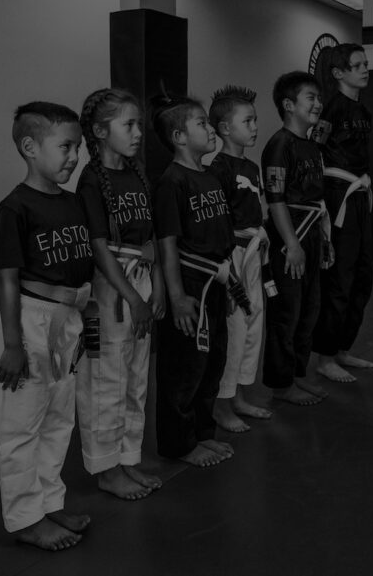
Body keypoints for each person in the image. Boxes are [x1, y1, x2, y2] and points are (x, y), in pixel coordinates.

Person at [0, 101, 94, 550]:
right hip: (28, 323)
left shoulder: (71, 203)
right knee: (20, 425)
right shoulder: (14, 207)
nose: (74, 157)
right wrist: (13, 345)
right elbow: (9, 278)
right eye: (65, 147)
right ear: (30, 147)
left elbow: (79, 267)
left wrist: (84, 317)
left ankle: (49, 502)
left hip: (66, 322)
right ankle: (24, 517)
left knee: (57, 418)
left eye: (78, 148)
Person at [75, 88, 165, 500]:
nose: (137, 133)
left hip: (143, 280)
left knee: (136, 378)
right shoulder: (93, 178)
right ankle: (106, 468)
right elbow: (98, 247)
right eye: (128, 125)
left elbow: (150, 240)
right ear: (98, 131)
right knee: (106, 381)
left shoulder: (136, 174)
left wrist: (157, 287)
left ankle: (129, 458)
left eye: (138, 125)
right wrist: (133, 297)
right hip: (112, 289)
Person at [151, 93, 238, 467]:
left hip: (215, 286)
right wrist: (177, 297)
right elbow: (166, 243)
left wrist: (231, 283)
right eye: (201, 123)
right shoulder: (172, 181)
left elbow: (222, 239)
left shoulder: (210, 177)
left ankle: (203, 433)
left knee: (212, 363)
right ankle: (179, 444)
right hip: (189, 288)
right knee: (183, 369)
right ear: (179, 136)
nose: (209, 128)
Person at [262, 71, 334, 405]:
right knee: (286, 314)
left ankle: (297, 374)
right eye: (310, 97)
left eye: (319, 98)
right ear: (289, 105)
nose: (318, 104)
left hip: (311, 236)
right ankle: (280, 383)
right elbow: (275, 199)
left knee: (309, 310)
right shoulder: (279, 145)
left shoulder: (311, 145)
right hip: (288, 238)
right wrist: (291, 244)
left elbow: (315, 198)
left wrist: (322, 240)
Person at [206, 85, 275, 432]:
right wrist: (229, 270)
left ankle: (239, 395)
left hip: (253, 252)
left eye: (255, 120)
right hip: (231, 256)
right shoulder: (217, 169)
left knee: (254, 323)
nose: (254, 126)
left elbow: (255, 211)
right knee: (234, 329)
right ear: (224, 129)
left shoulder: (251, 166)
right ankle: (221, 403)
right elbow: (219, 224)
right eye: (247, 120)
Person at [310, 44, 373, 383]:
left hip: (360, 194)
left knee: (364, 275)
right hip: (338, 196)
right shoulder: (330, 110)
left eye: (366, 64)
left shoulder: (363, 112)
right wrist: (319, 202)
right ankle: (324, 357)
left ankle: (342, 349)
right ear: (338, 73)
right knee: (340, 278)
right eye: (357, 65)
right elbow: (315, 152)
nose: (365, 68)